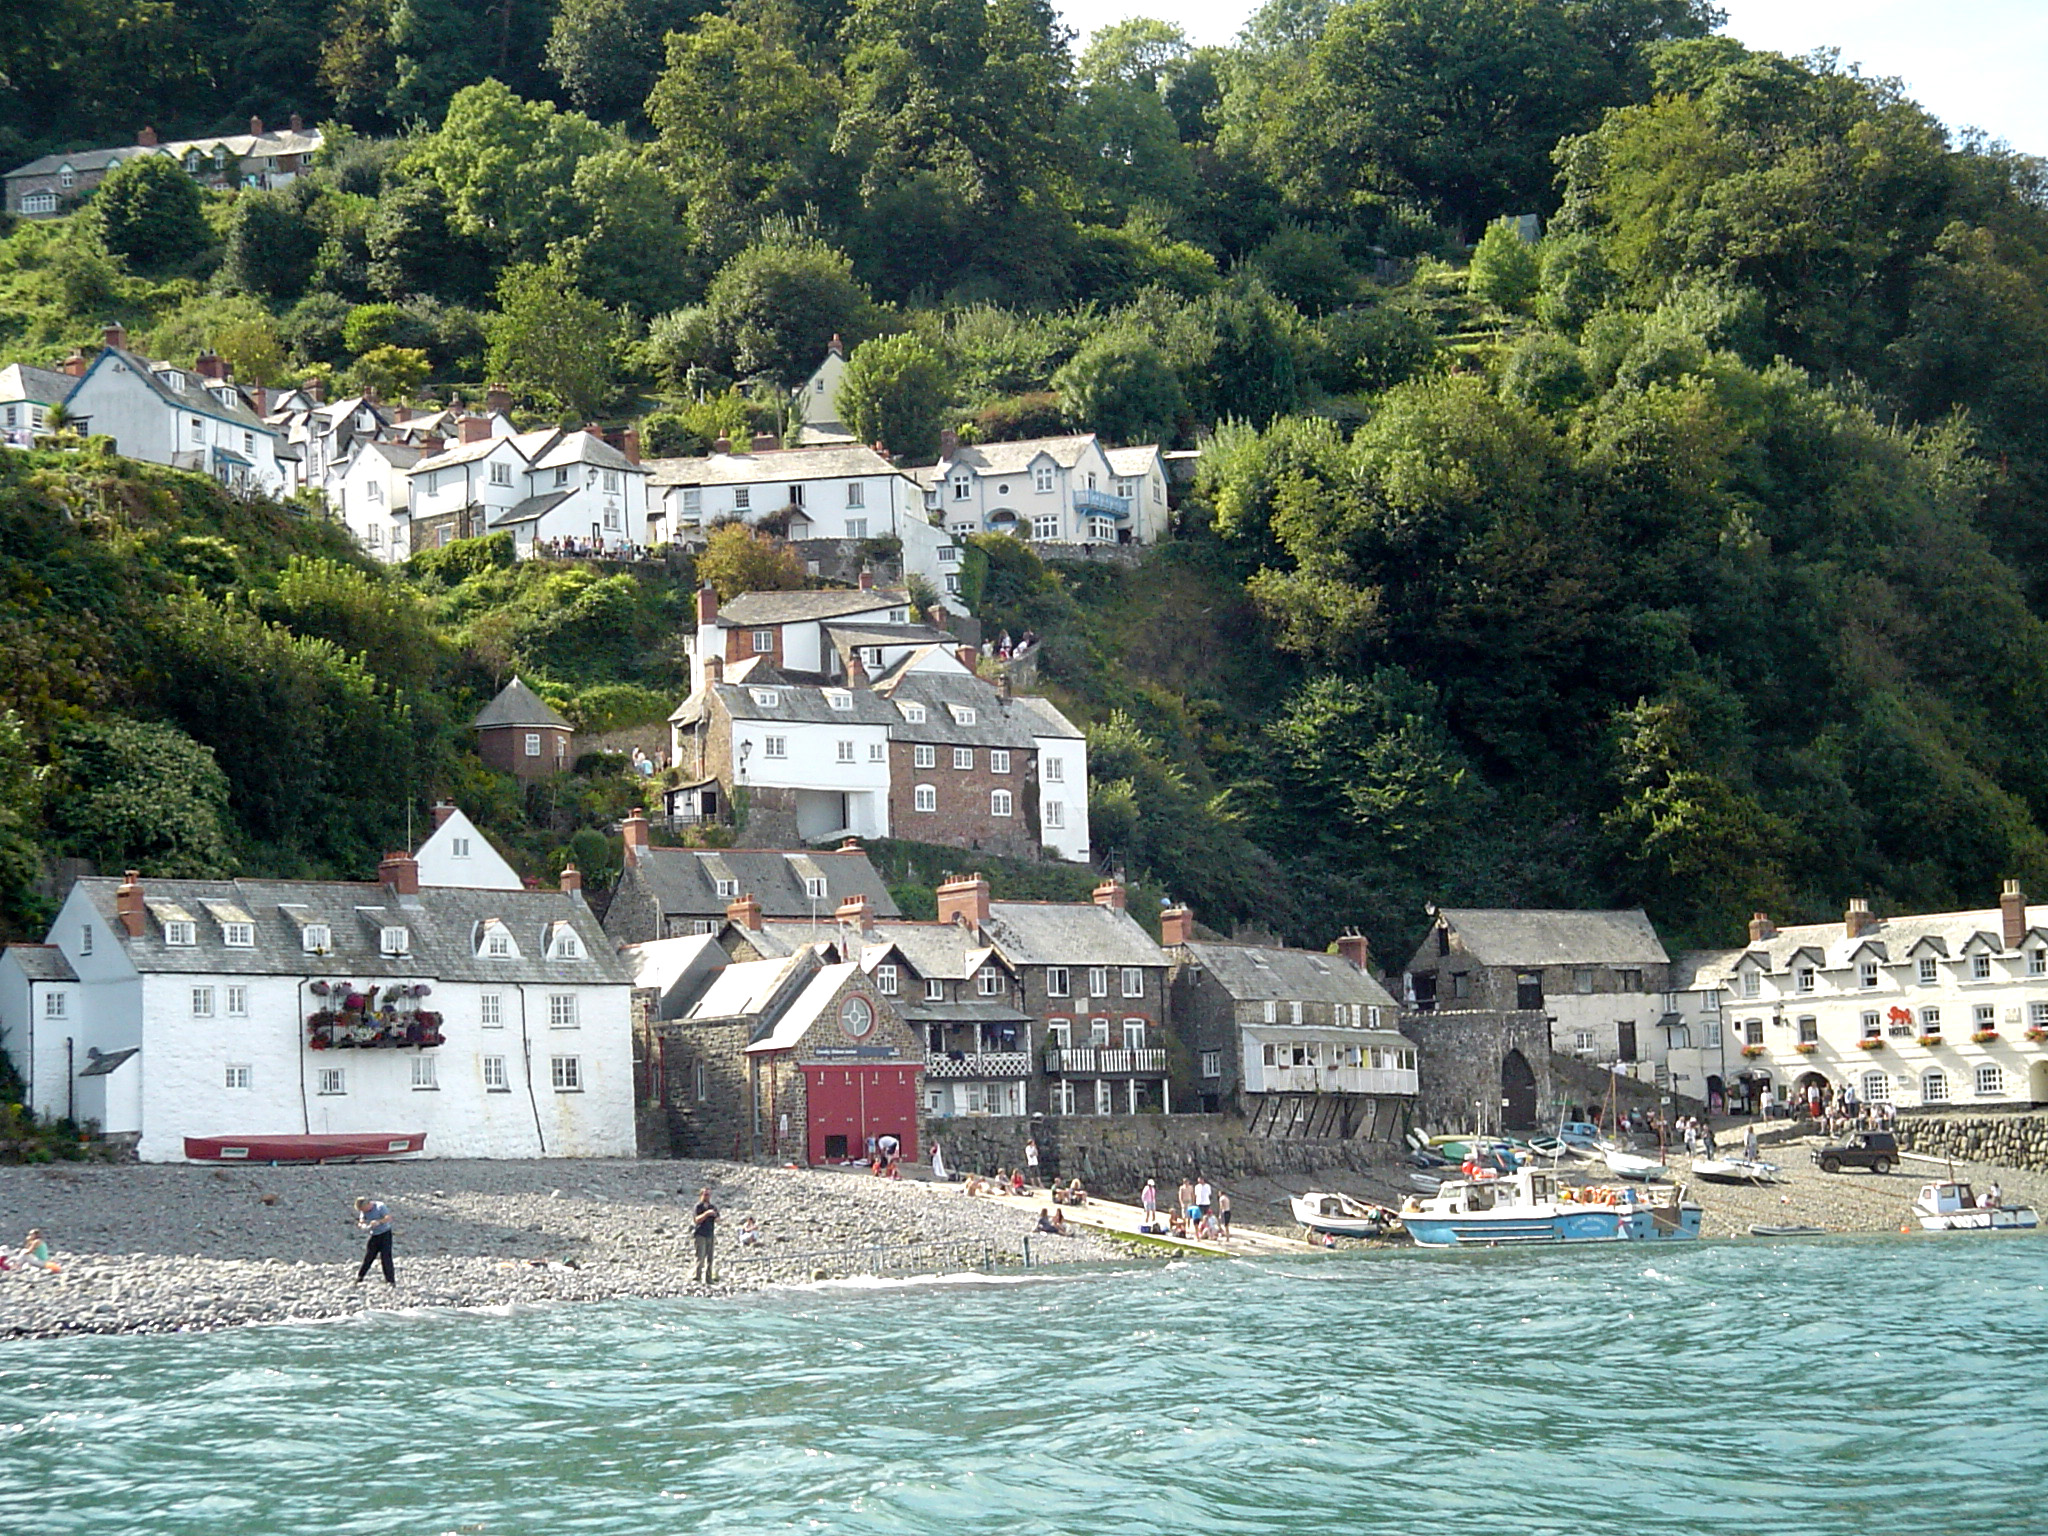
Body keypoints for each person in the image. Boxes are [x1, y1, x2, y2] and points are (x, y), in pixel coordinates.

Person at [353, 1198, 394, 1286]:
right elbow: (361, 1220)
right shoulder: (363, 1211)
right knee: (369, 1257)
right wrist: (362, 1225)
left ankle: (390, 1281)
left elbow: (388, 1218)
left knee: (386, 1257)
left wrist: (378, 1222)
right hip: (374, 1235)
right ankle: (360, 1277)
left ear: (368, 1204)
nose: (364, 1211)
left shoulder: (380, 1206)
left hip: (385, 1234)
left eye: (364, 1209)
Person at [691, 1186, 719, 1283]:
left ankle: (708, 1278)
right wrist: (706, 1214)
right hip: (700, 1234)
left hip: (710, 1234)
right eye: (706, 1194)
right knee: (700, 1256)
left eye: (709, 1195)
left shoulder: (713, 1207)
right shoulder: (698, 1207)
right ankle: (697, 1276)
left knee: (710, 1258)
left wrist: (715, 1216)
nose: (707, 1196)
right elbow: (696, 1220)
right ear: (701, 1195)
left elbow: (718, 1219)